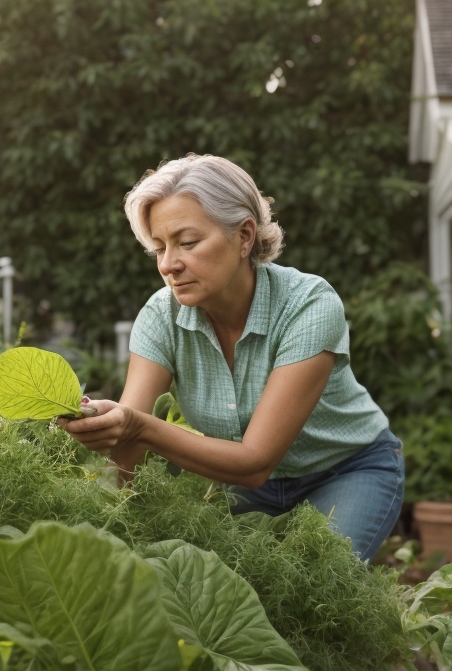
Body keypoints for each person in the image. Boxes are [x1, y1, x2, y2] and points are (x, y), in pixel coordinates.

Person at [57, 154, 403, 561]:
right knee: (224, 594)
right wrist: (118, 522)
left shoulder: (309, 305)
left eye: (187, 243)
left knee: (321, 585)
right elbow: (128, 443)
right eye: (158, 248)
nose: (169, 264)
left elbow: (254, 461)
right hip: (242, 487)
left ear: (244, 236)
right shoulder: (160, 316)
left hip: (345, 470)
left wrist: (136, 427)